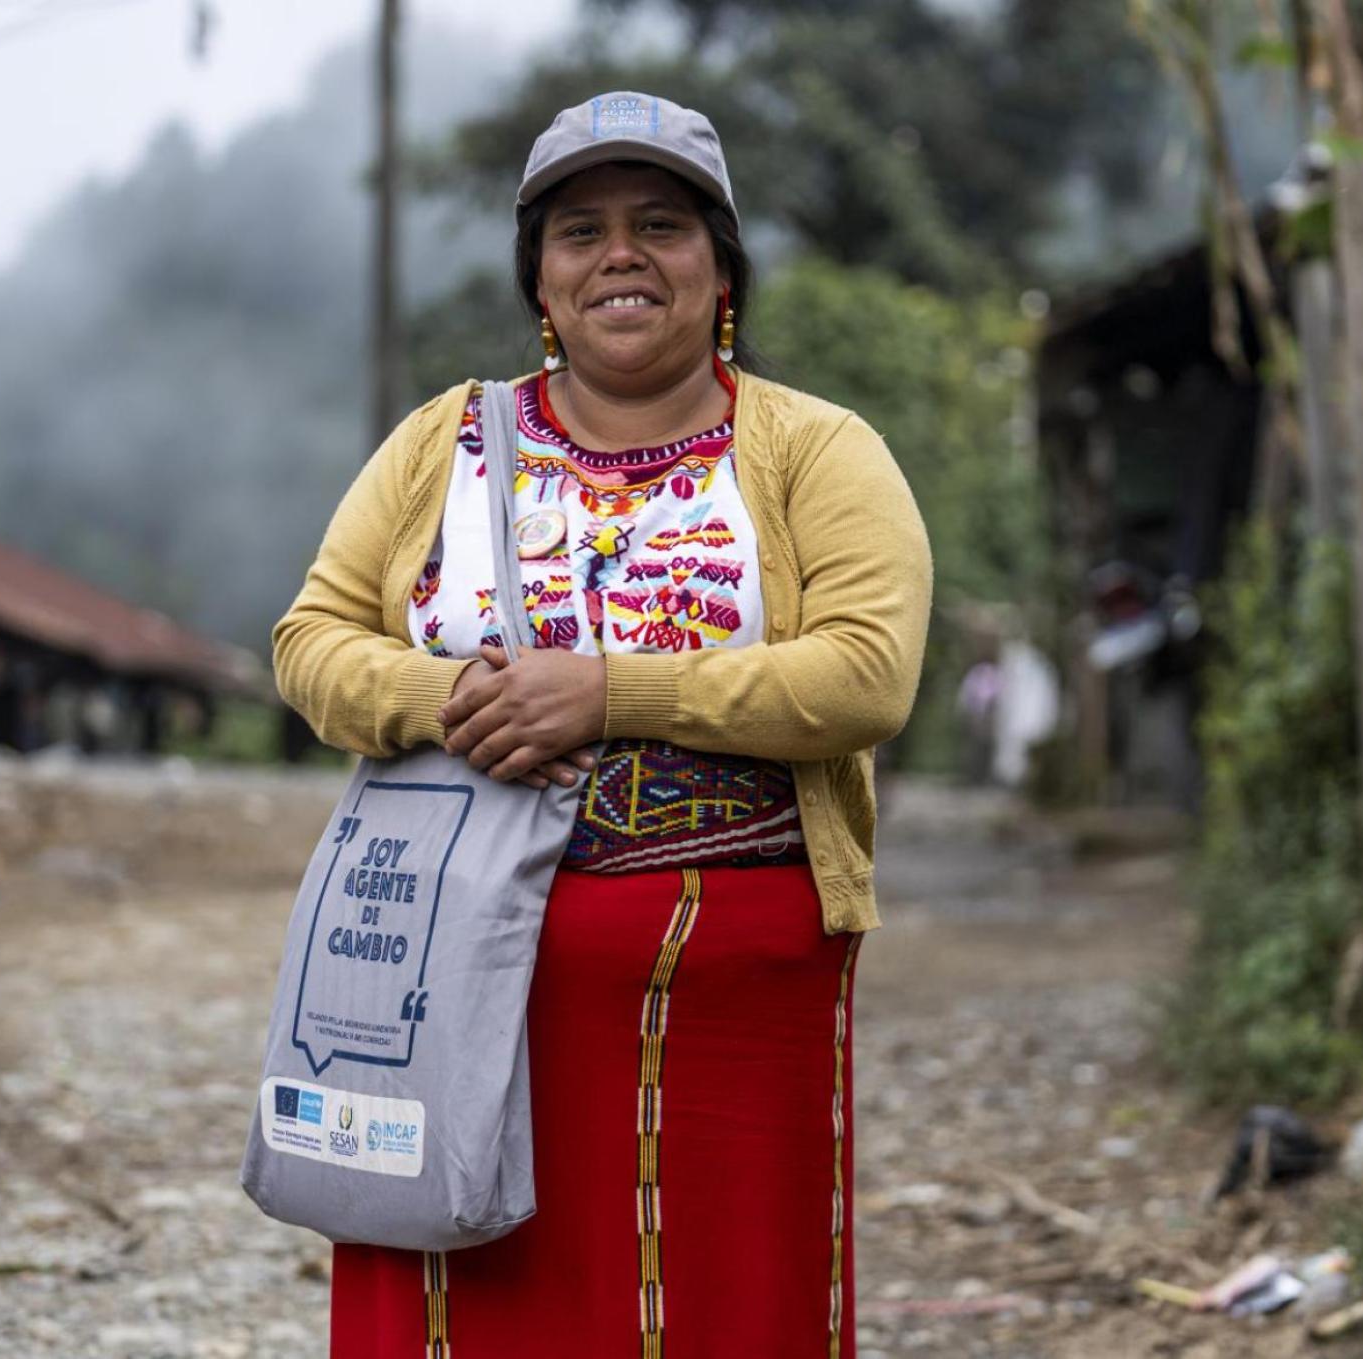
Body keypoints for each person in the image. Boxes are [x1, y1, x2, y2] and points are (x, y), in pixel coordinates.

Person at [273, 90, 932, 1359]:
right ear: (541, 278)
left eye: (661, 225)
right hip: (446, 970)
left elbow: (863, 675)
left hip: (735, 996)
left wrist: (608, 690)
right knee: (464, 1300)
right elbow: (311, 641)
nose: (619, 255)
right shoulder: (442, 445)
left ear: (720, 269)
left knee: (728, 1304)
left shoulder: (812, 451)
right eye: (578, 231)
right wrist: (450, 698)